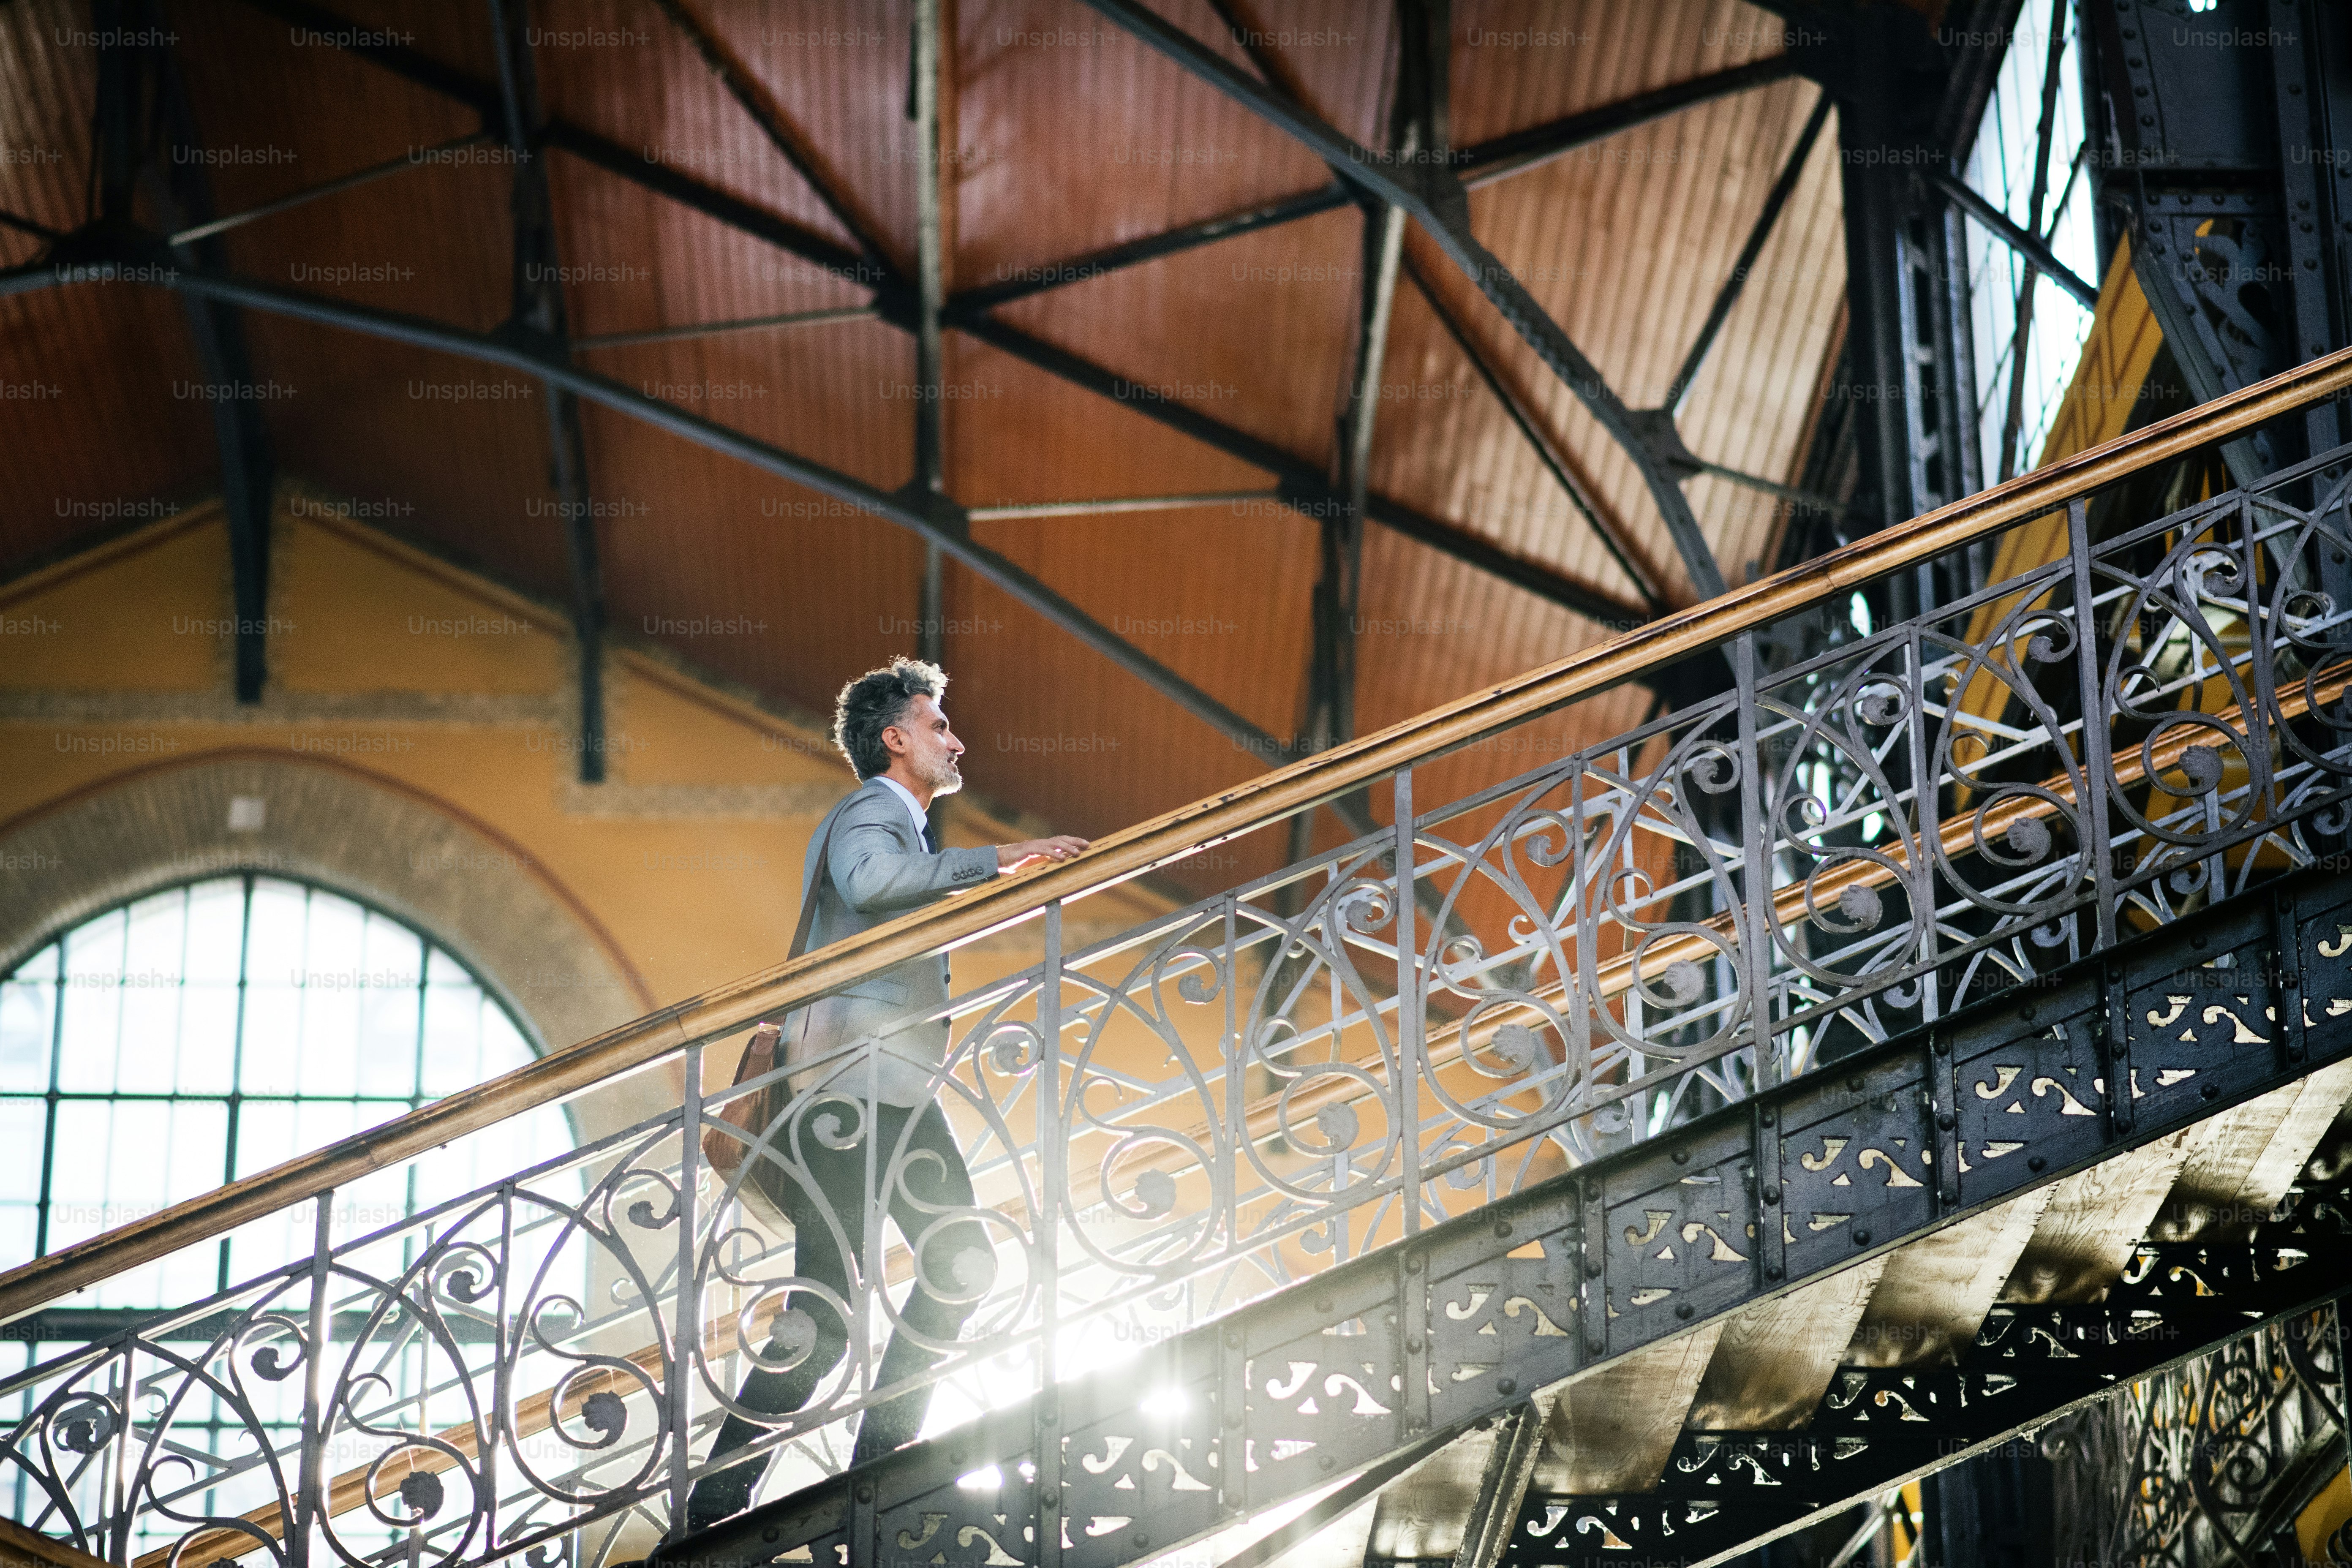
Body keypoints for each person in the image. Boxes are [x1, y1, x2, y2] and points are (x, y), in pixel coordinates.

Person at [682, 656, 1088, 1532]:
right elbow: (868, 883)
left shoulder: (904, 824)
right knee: (838, 1304)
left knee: (947, 1267)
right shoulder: (875, 811)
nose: (957, 738)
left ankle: (874, 1469)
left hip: (882, 1089)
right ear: (896, 738)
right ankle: (725, 1501)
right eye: (940, 725)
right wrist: (1007, 857)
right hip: (848, 1088)